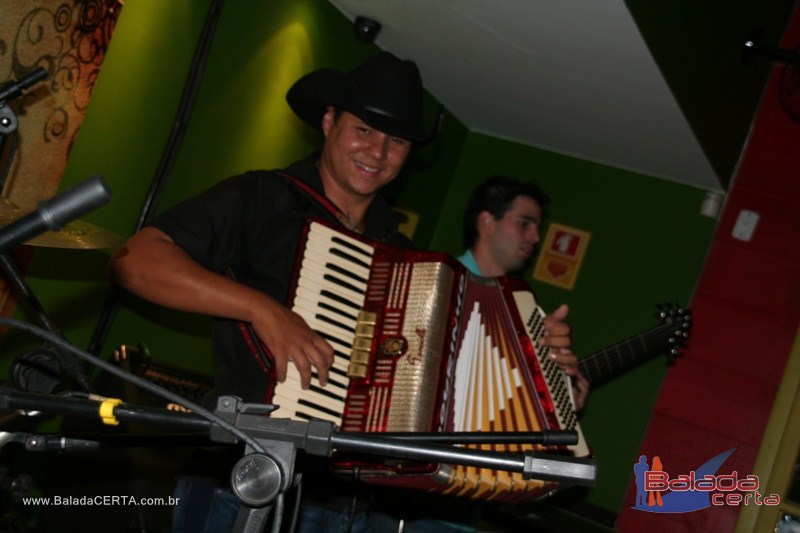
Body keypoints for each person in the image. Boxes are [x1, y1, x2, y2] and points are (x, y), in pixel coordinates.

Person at [108, 52, 574, 532]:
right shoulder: (263, 197)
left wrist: (535, 358)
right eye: (364, 130)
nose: (378, 152)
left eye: (396, 140)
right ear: (329, 121)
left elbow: (443, 387)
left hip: (345, 506)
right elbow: (136, 261)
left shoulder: (400, 254)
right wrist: (263, 310)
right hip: (243, 481)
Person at [457, 175, 590, 410]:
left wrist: (562, 401)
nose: (536, 238)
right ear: (487, 222)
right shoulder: (443, 282)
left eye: (537, 228)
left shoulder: (522, 307)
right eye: (524, 224)